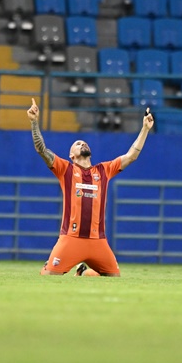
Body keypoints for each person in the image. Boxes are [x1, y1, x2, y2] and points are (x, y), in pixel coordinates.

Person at [28, 98, 153, 277]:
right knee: (48, 276)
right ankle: (51, 265)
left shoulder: (104, 170)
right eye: (78, 144)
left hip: (98, 241)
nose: (83, 144)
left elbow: (131, 156)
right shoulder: (65, 169)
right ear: (71, 155)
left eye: (84, 143)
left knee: (114, 277)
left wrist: (145, 129)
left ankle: (83, 272)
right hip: (71, 239)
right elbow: (42, 150)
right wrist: (34, 122)